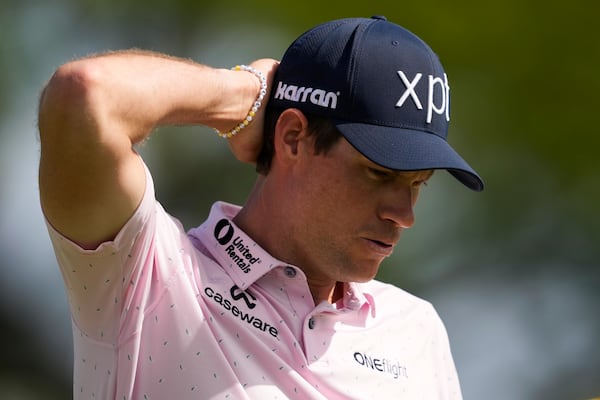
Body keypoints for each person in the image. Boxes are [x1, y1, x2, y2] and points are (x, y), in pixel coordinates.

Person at [38, 16, 483, 400]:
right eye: (378, 173)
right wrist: (245, 96)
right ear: (293, 138)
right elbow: (84, 97)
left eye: (417, 183)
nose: (404, 214)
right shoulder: (149, 275)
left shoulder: (416, 328)